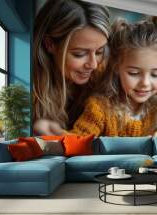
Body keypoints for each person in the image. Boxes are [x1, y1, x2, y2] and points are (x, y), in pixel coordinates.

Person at [69, 18, 157, 137]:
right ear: (116, 67)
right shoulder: (99, 108)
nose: (145, 83)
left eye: (155, 74)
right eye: (134, 73)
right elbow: (77, 141)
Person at [33, 0, 110, 135]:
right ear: (50, 44)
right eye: (79, 54)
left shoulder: (105, 77)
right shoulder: (27, 87)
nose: (93, 64)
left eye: (99, 52)